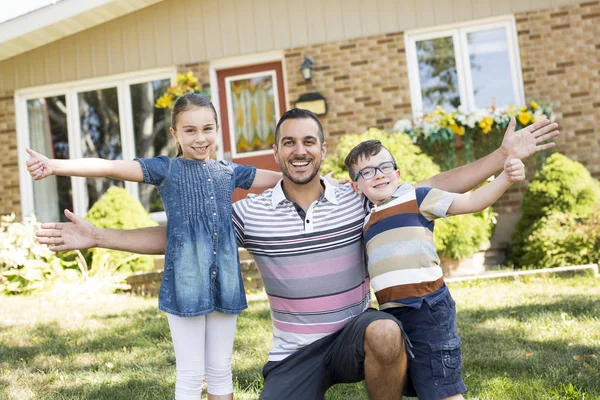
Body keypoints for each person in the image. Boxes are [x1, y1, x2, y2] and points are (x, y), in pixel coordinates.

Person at [36, 108, 559, 399]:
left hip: (352, 334)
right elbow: (181, 240)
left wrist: (499, 156)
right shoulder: (253, 211)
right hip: (294, 351)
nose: (300, 150)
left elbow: (428, 188)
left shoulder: (355, 197)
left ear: (322, 149)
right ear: (277, 151)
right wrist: (99, 235)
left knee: (385, 329)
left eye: (309, 141)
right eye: (289, 142)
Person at [25, 93, 282, 400]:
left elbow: (281, 179)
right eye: (190, 130)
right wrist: (53, 165)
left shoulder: (229, 171)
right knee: (189, 374)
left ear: (217, 128)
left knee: (220, 369)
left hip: (225, 282)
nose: (200, 138)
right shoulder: (166, 169)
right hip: (185, 284)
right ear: (175, 134)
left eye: (207, 129)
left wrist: (319, 179)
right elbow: (109, 166)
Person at [344, 139, 526, 400]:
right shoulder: (366, 220)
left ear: (398, 173)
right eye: (367, 172)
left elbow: (472, 200)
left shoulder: (417, 198)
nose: (379, 174)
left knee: (442, 390)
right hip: (393, 317)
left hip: (427, 309)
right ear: (356, 186)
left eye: (385, 167)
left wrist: (505, 178)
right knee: (422, 385)